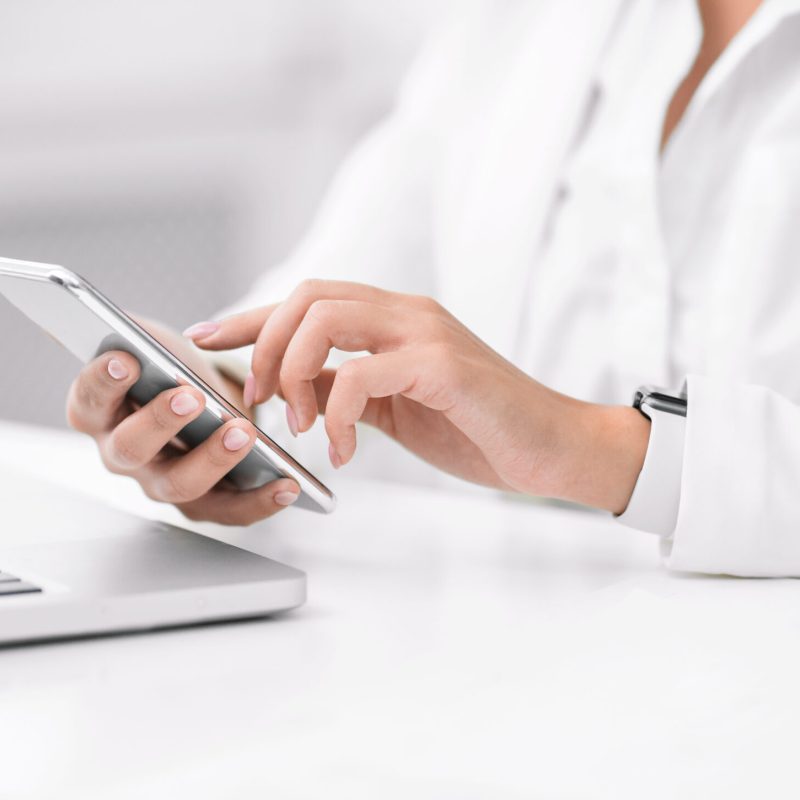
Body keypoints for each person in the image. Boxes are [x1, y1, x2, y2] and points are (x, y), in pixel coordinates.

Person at [66, 0, 800, 576]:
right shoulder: (519, 21)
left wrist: (586, 445)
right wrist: (216, 390)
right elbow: (352, 283)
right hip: (506, 655)